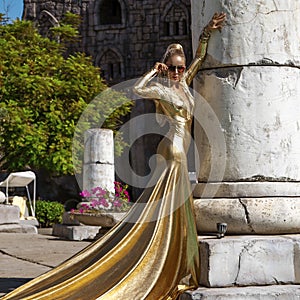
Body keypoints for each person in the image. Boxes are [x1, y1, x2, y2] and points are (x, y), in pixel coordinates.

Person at [1, 12, 226, 300]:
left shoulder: (184, 85)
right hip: (173, 150)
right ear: (166, 67)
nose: (179, 73)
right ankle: (161, 260)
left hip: (180, 149)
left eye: (180, 69)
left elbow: (199, 60)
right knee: (171, 205)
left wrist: (207, 31)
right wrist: (153, 71)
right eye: (173, 68)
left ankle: (178, 261)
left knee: (178, 206)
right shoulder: (162, 89)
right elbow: (137, 89)